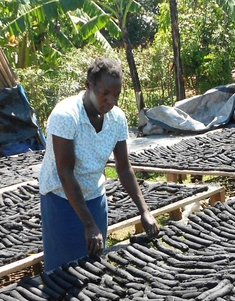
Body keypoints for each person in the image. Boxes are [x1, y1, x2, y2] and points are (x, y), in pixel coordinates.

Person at [38, 57, 160, 271]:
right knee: (63, 271)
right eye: (105, 93)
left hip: (94, 197)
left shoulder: (117, 119)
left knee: (93, 268)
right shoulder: (66, 116)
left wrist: (144, 210)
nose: (111, 100)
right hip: (61, 199)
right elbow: (65, 172)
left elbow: (123, 168)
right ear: (89, 86)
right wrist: (88, 223)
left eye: (116, 95)